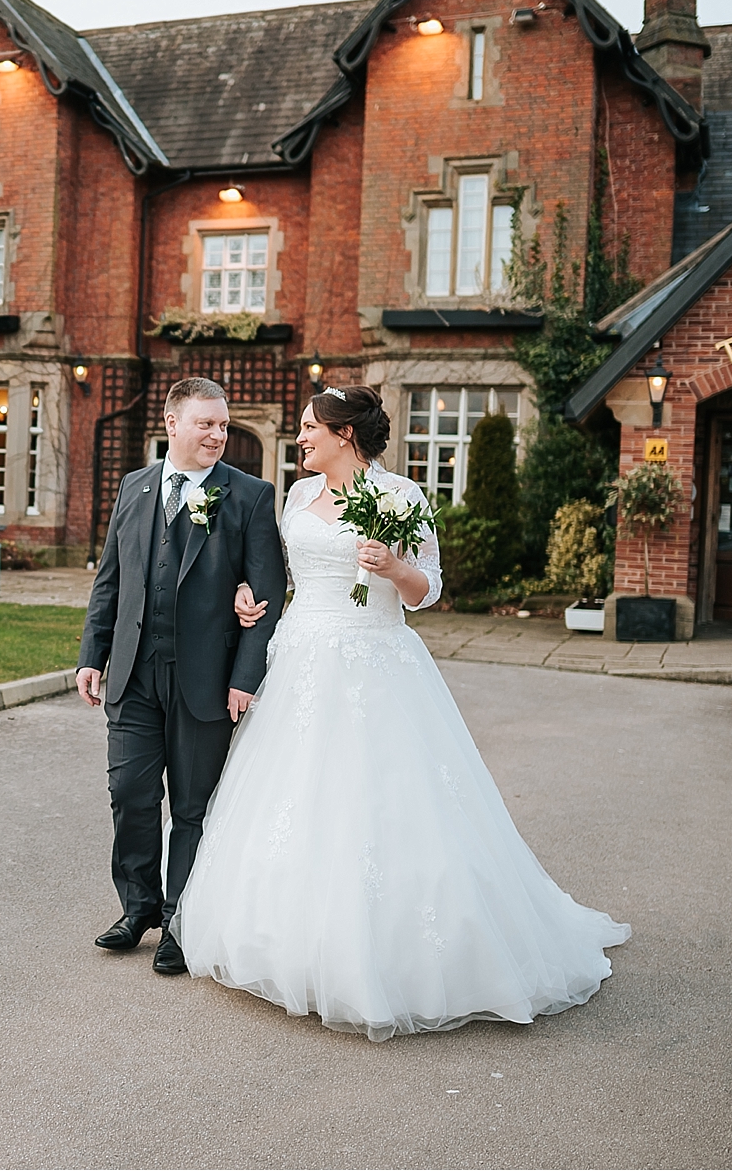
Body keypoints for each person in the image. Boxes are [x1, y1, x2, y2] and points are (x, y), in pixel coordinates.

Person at [173, 384, 630, 1041]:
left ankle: (396, 952)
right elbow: (273, 574)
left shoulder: (400, 498)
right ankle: (287, 940)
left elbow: (427, 590)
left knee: (385, 801)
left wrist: (390, 565)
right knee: (295, 798)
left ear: (345, 436)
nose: (299, 438)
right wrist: (248, 591)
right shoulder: (299, 498)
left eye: (309, 428)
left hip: (376, 662)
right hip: (302, 659)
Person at [77, 377, 285, 975]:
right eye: (207, 424)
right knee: (130, 796)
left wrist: (245, 678)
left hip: (206, 681)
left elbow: (267, 594)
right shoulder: (134, 487)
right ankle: (137, 906)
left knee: (192, 807)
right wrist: (93, 655)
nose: (219, 435)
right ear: (173, 424)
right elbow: (110, 580)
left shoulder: (247, 495)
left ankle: (180, 920)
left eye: (223, 425)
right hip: (134, 676)